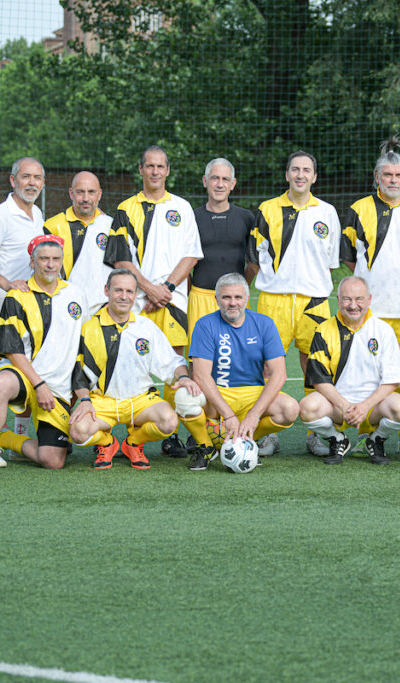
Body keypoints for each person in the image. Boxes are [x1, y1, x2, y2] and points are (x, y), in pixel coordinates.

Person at [340, 138, 400, 458]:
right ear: (377, 177)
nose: (393, 181)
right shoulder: (359, 208)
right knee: (372, 373)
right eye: (387, 175)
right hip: (372, 312)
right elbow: (351, 259)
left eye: (398, 176)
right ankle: (368, 432)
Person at [105, 145, 203, 459]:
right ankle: (127, 435)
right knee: (132, 363)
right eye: (150, 166)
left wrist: (167, 288)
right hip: (136, 300)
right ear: (141, 169)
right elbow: (120, 258)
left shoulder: (183, 207)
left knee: (175, 362)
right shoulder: (124, 207)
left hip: (173, 300)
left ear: (168, 171)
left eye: (160, 166)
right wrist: (147, 290)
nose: (155, 172)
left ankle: (170, 434)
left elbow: (191, 254)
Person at [0, 236, 88, 484]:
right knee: (0, 383)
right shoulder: (17, 296)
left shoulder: (76, 295)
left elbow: (83, 347)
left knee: (53, 460)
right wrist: (39, 384)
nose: (50, 265)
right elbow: (11, 350)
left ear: (61, 261)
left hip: (59, 387)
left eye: (55, 259)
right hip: (25, 376)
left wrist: (80, 393)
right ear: (32, 262)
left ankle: (4, 436)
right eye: (44, 259)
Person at [68, 269, 211, 470]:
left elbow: (171, 361)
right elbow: (78, 373)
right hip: (103, 401)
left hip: (140, 400)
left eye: (129, 291)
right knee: (78, 432)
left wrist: (183, 377)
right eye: (118, 290)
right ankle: (107, 443)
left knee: (169, 422)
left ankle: (133, 442)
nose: (124, 296)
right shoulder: (89, 328)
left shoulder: (146, 327)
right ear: (106, 290)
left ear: (135, 294)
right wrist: (84, 400)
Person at [250, 150, 340, 456]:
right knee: (265, 366)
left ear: (314, 176)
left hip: (313, 302)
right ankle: (269, 432)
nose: (300, 175)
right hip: (273, 300)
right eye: (295, 169)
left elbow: (329, 263)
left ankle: (316, 431)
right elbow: (256, 255)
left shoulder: (327, 213)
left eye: (306, 170)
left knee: (314, 365)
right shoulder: (267, 209)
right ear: (287, 174)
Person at [0, 157, 47, 466]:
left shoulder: (38, 213)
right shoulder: (0, 216)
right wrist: (8, 285)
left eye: (38, 177)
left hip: (28, 312)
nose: (32, 182)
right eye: (26, 176)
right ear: (12, 180)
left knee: (29, 367)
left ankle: (19, 433)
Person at [299, 276, 400, 465]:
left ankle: (376, 440)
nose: (353, 305)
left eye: (359, 299)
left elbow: (391, 380)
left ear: (369, 300)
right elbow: (318, 379)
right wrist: (345, 406)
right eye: (347, 299)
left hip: (374, 405)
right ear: (338, 300)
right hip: (337, 405)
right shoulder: (323, 330)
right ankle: (337, 439)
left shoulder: (383, 330)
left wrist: (365, 406)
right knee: (306, 408)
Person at [189, 273, 299, 453]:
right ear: (217, 299)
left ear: (247, 299)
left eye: (238, 297)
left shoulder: (264, 324)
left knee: (290, 409)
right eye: (226, 297)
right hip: (218, 393)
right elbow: (201, 376)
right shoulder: (205, 324)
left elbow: (279, 375)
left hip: (251, 393)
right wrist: (229, 415)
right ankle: (205, 446)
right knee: (185, 399)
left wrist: (254, 415)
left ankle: (245, 439)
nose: (233, 303)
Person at [188, 158, 257, 345]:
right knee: (198, 359)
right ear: (205, 181)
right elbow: (184, 263)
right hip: (200, 298)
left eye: (225, 179)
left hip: (236, 300)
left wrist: (240, 287)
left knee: (239, 355)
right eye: (214, 178)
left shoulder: (246, 218)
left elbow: (253, 263)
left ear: (232, 184)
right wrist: (192, 292)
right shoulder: (191, 218)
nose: (220, 184)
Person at [43, 171, 114, 313]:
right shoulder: (52, 226)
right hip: (67, 305)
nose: (85, 198)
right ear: (71, 193)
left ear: (99, 194)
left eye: (91, 192)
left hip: (104, 307)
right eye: (80, 192)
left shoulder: (111, 226)